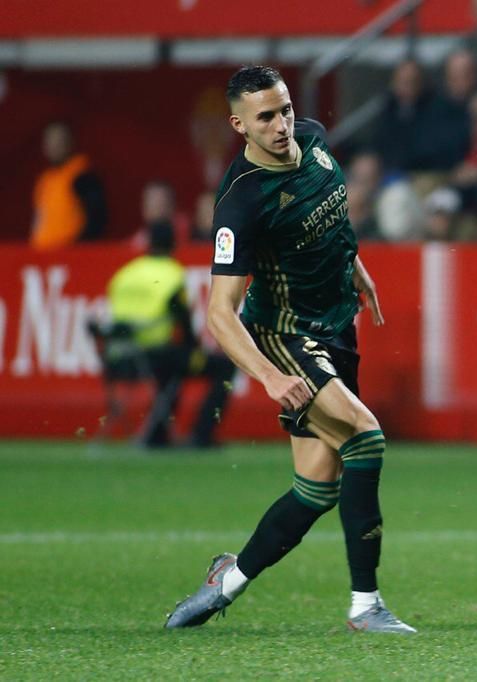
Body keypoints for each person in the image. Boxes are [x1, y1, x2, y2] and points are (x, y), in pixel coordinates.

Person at [164, 66, 414, 634]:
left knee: (317, 488)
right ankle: (366, 606)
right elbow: (220, 314)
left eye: (285, 110)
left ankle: (225, 581)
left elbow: (328, 218)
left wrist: (355, 265)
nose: (282, 125)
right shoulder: (240, 202)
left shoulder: (316, 141)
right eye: (266, 118)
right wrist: (270, 377)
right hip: (285, 335)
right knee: (366, 438)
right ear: (239, 126)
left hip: (336, 328)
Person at [106, 221, 235, 448]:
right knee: (223, 366)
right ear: (173, 244)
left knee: (173, 366)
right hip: (155, 357)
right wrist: (196, 351)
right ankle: (201, 436)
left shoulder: (125, 274)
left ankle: (158, 434)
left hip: (120, 359)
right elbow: (183, 322)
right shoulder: (171, 275)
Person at [30, 121, 107, 251]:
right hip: (43, 256)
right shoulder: (45, 180)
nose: (54, 146)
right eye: (50, 141)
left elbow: (97, 218)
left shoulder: (82, 176)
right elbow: (39, 219)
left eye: (59, 141)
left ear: (70, 142)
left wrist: (78, 249)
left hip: (69, 255)